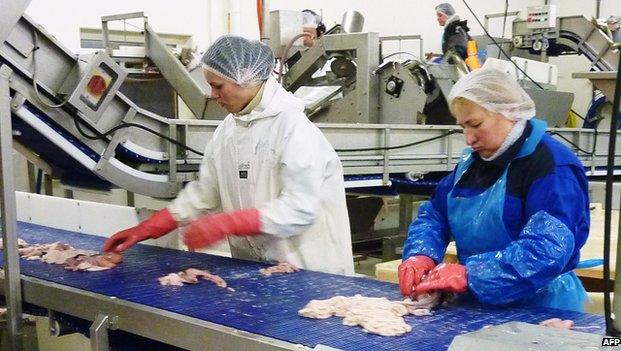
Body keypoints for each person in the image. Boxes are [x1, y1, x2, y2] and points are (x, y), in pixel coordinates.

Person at [103, 35, 355, 275]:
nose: (212, 94)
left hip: (310, 272)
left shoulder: (293, 127)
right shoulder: (227, 130)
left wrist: (229, 223)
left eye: (217, 86)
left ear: (244, 78)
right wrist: (151, 227)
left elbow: (300, 208)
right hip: (256, 271)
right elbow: (205, 193)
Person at [398, 68, 590, 312]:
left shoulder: (551, 167)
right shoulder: (471, 166)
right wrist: (420, 255)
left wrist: (471, 275)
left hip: (542, 310)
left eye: (475, 124)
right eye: (463, 127)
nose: (469, 139)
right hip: (476, 306)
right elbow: (435, 216)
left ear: (509, 113)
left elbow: (546, 251)